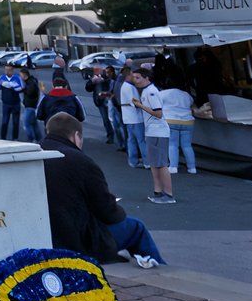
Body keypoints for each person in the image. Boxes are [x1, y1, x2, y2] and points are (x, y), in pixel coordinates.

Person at [38, 113, 164, 269]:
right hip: (77, 238)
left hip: (44, 234)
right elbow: (107, 211)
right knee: (136, 227)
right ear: (76, 136)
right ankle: (161, 270)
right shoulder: (81, 161)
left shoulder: (33, 155)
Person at [130, 70, 174, 204]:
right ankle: (158, 191)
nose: (135, 80)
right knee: (155, 163)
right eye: (134, 78)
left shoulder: (151, 92)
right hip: (152, 131)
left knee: (160, 163)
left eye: (138, 77)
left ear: (146, 78)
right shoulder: (147, 91)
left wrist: (140, 106)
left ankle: (168, 194)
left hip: (157, 131)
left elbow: (158, 113)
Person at [160, 72, 197, 175]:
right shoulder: (186, 94)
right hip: (187, 122)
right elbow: (192, 105)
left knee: (172, 145)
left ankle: (173, 167)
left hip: (170, 121)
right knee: (187, 145)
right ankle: (192, 168)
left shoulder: (162, 94)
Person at [34, 73, 83, 144]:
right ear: (66, 86)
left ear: (53, 86)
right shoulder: (73, 98)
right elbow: (81, 116)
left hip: (51, 128)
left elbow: (39, 115)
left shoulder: (46, 98)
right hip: (69, 127)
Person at [117, 66, 145, 167]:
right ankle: (147, 162)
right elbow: (135, 103)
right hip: (136, 118)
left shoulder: (125, 86)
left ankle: (133, 161)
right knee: (141, 140)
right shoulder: (130, 87)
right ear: (129, 75)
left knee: (131, 140)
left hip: (128, 118)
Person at [85, 66, 117, 144]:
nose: (96, 72)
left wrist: (103, 80)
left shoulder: (108, 76)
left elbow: (113, 84)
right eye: (95, 70)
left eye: (98, 70)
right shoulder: (95, 77)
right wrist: (92, 82)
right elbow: (88, 88)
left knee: (115, 120)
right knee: (106, 120)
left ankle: (120, 137)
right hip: (100, 102)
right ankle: (110, 136)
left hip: (110, 100)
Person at [0, 64, 25, 141]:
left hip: (15, 104)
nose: (7, 71)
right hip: (6, 103)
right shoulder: (2, 78)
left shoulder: (17, 78)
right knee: (5, 122)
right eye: (6, 70)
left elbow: (22, 88)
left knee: (15, 122)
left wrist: (13, 86)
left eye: (8, 70)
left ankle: (15, 138)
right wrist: (0, 84)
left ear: (12, 70)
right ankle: (3, 138)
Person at [19, 70, 43, 143]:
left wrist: (23, 90)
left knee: (26, 123)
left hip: (30, 106)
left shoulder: (30, 83)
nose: (20, 77)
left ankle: (31, 139)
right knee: (33, 123)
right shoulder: (31, 82)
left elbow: (30, 92)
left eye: (21, 75)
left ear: (24, 75)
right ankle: (39, 139)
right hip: (32, 106)